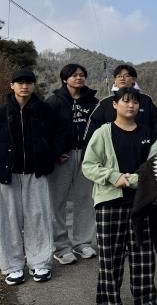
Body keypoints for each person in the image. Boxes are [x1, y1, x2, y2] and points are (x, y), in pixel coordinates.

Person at [82, 87, 157, 304]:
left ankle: (145, 299)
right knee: (110, 259)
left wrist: (133, 180)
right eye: (126, 101)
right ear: (114, 104)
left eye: (135, 102)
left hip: (141, 202)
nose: (131, 105)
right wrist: (112, 176)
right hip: (109, 203)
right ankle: (109, 300)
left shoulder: (148, 134)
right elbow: (89, 165)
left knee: (143, 257)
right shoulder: (103, 133)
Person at [0, 69, 58, 285]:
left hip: (36, 172)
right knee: (8, 221)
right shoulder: (2, 111)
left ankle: (40, 263)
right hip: (8, 174)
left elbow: (58, 134)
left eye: (28, 82)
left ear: (33, 85)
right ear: (12, 86)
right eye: (20, 82)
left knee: (38, 218)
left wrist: (52, 154)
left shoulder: (44, 110)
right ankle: (12, 266)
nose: (24, 86)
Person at [46, 63, 99, 265]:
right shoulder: (54, 101)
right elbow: (46, 130)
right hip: (63, 157)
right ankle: (61, 247)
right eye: (74, 75)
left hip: (86, 156)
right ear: (64, 79)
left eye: (82, 75)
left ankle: (82, 242)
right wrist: (55, 152)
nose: (79, 78)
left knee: (85, 200)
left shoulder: (93, 102)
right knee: (56, 202)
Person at [85, 64, 157, 143]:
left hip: (144, 145)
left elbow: (156, 125)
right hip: (112, 147)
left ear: (134, 79)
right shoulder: (105, 103)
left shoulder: (145, 100)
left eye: (126, 76)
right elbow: (93, 128)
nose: (122, 78)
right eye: (118, 76)